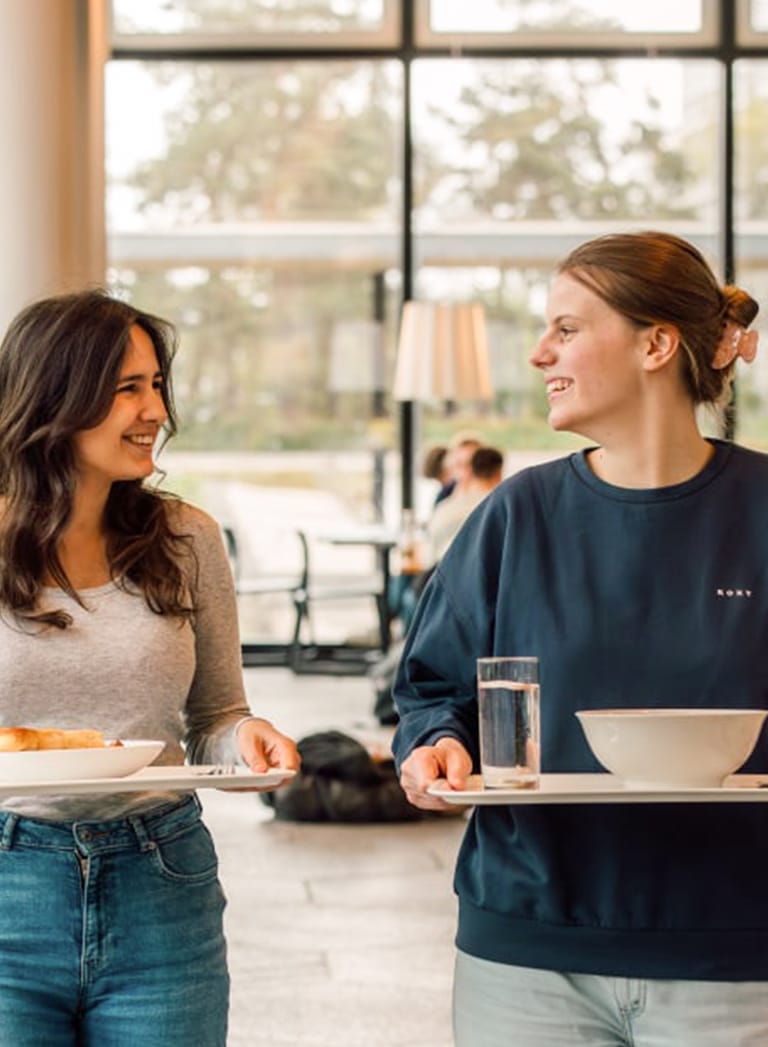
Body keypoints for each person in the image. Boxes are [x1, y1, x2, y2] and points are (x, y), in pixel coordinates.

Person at [392, 230, 768, 1046]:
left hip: (738, 952)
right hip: (527, 952)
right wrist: (433, 747)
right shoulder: (514, 517)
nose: (538, 353)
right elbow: (430, 691)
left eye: (566, 328)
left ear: (656, 344)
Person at [0, 289, 300, 1046]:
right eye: (127, 387)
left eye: (157, 384)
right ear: (54, 395)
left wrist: (249, 740)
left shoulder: (188, 537)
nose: (155, 410)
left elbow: (215, 717)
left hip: (160, 879)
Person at [425, 444, 504, 565]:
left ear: (473, 470)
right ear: (499, 473)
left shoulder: (445, 507)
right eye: (459, 465)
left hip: (441, 571)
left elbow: (431, 548)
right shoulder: (501, 506)